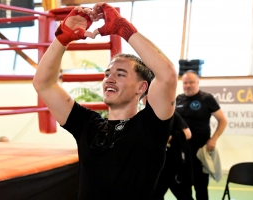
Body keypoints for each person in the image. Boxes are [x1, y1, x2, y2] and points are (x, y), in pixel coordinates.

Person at [33, 2, 177, 199]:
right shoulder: (87, 125)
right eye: (107, 73)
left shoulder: (151, 127)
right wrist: (62, 38)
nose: (109, 78)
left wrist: (123, 29)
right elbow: (43, 84)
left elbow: (167, 75)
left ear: (142, 88)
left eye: (120, 74)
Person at [176, 70, 227, 200]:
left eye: (191, 82)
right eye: (185, 82)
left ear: (197, 83)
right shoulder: (179, 99)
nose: (188, 85)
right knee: (183, 185)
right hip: (181, 150)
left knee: (201, 186)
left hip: (200, 150)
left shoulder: (207, 99)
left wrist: (213, 140)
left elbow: (223, 120)